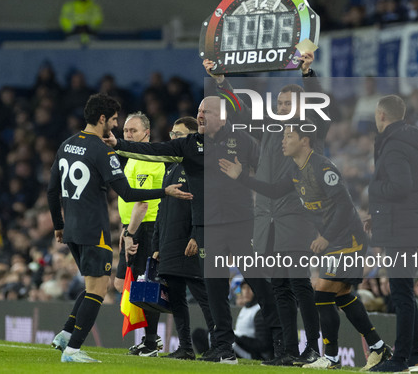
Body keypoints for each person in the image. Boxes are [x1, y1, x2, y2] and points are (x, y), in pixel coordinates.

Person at [105, 96, 282, 365]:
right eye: (198, 110)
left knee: (257, 281)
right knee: (215, 289)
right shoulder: (189, 145)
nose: (200, 115)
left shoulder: (241, 140)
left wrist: (244, 177)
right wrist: (119, 145)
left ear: (222, 117)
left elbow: (270, 170)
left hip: (239, 223)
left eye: (206, 111)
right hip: (207, 227)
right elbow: (155, 150)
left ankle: (282, 344)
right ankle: (224, 347)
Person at [219, 124, 391, 370]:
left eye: (289, 136)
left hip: (347, 239)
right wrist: (242, 177)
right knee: (340, 294)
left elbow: (343, 205)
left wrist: (326, 237)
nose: (283, 141)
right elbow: (275, 191)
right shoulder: (294, 169)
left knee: (322, 293)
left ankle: (331, 358)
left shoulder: (322, 166)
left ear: (305, 141)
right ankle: (378, 347)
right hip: (335, 240)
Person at [47, 93, 191, 363]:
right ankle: (73, 349)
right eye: (113, 120)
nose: (115, 126)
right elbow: (126, 192)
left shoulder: (66, 145)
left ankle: (66, 335)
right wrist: (166, 191)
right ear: (102, 118)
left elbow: (52, 189)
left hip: (72, 229)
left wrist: (58, 224)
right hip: (94, 229)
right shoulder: (101, 150)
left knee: (93, 285)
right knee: (98, 290)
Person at [203, 52, 327, 366]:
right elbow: (243, 113)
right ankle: (286, 350)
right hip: (268, 221)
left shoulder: (310, 130)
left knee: (298, 284)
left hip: (295, 219)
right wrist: (221, 82)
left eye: (288, 105)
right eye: (280, 105)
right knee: (280, 286)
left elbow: (321, 106)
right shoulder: (272, 130)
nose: (283, 109)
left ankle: (312, 349)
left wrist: (307, 74)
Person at [364, 95, 418, 373]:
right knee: (404, 292)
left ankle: (400, 358)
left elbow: (400, 187)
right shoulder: (408, 142)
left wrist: (373, 189)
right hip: (404, 225)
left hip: (400, 231)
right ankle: (415, 356)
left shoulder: (393, 147)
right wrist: (376, 218)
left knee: (401, 294)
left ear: (381, 115)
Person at [152, 116, 216, 360]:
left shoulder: (197, 165)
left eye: (179, 135)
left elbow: (204, 204)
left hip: (189, 241)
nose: (173, 138)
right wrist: (156, 245)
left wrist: (196, 236)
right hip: (169, 242)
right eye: (172, 134)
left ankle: (220, 344)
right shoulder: (170, 168)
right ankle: (186, 347)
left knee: (204, 295)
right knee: (177, 297)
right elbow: (161, 209)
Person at [115, 112, 166, 357]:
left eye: (133, 131)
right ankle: (149, 338)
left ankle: (151, 341)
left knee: (146, 285)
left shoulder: (147, 160)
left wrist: (130, 233)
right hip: (134, 227)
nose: (128, 135)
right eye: (126, 131)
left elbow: (143, 203)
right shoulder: (133, 158)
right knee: (124, 283)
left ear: (147, 132)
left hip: (146, 228)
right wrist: (125, 229)